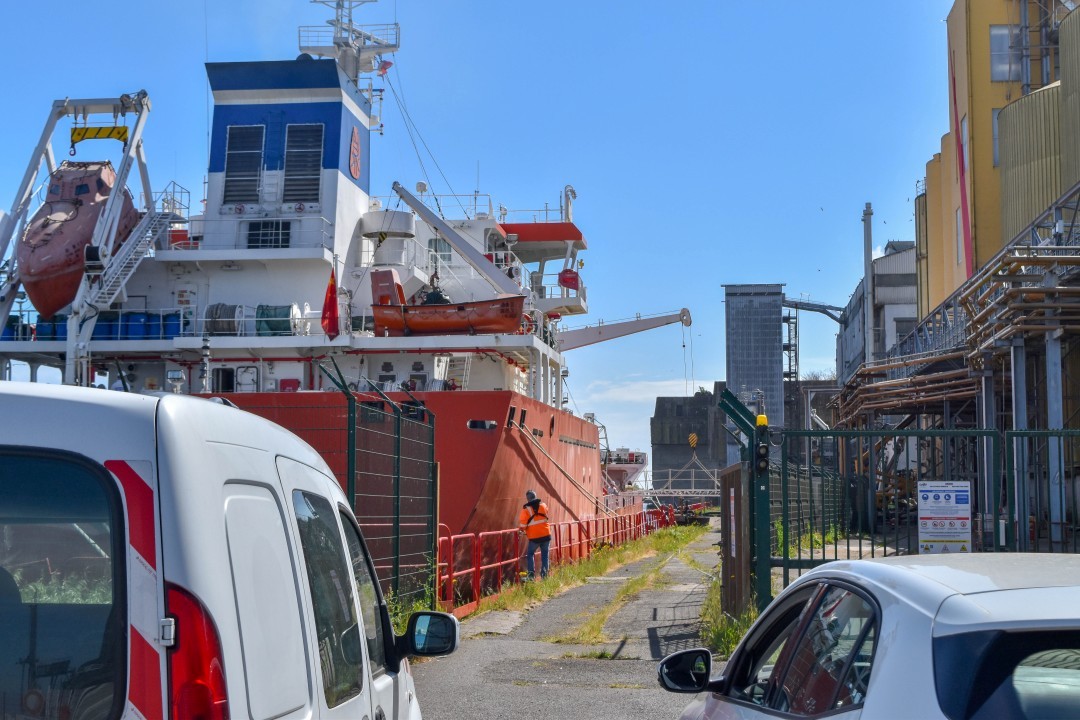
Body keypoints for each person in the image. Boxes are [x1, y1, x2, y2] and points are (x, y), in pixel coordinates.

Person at [518, 490, 551, 580]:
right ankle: (544, 576)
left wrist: (521, 531)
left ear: (527, 499)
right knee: (545, 555)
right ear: (535, 496)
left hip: (534, 537)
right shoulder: (543, 506)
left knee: (530, 554)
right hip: (546, 535)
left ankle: (531, 575)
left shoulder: (525, 510)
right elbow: (545, 515)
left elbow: (523, 525)